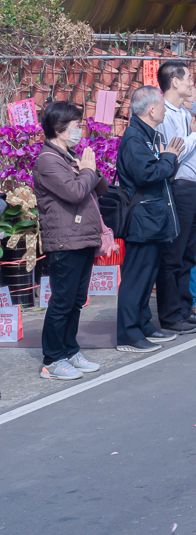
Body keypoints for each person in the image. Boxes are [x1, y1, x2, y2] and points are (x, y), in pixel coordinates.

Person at [33, 102, 109, 379]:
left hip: (82, 237)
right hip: (65, 240)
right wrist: (86, 171)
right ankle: (51, 360)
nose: (80, 131)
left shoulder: (68, 156)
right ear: (59, 129)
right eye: (76, 126)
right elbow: (75, 192)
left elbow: (101, 188)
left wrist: (91, 168)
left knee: (76, 300)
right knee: (62, 301)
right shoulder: (47, 160)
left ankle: (69, 350)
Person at [115, 86, 185, 353]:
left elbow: (160, 170)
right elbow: (148, 174)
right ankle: (128, 333)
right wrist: (169, 157)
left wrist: (168, 157)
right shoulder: (134, 138)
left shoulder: (147, 136)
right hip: (142, 220)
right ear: (152, 109)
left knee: (147, 276)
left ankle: (143, 324)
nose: (165, 110)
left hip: (153, 218)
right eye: (163, 107)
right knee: (136, 278)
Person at [155, 61, 196, 333]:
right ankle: (170, 315)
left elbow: (195, 147)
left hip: (195, 185)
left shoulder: (182, 112)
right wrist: (195, 134)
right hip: (178, 187)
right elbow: (175, 151)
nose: (192, 82)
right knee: (174, 254)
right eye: (188, 78)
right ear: (175, 82)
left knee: (188, 254)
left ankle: (184, 307)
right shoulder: (165, 115)